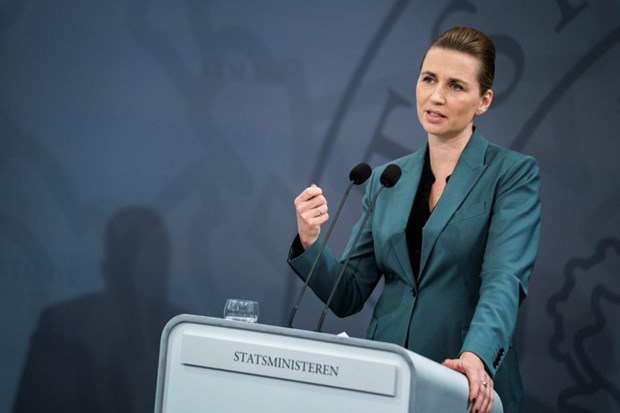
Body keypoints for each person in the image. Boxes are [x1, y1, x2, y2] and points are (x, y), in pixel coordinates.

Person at [288, 27, 540, 413]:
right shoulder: (387, 178)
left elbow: (504, 280)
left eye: (456, 86)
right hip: (387, 383)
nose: (436, 96)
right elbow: (347, 293)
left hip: (463, 382)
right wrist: (309, 239)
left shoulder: (511, 174)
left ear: (483, 101)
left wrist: (476, 355)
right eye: (429, 79)